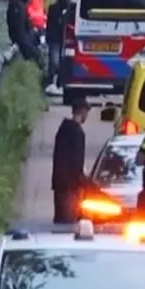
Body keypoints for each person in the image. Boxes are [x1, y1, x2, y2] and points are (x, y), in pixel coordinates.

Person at [50, 93, 90, 224]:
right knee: (68, 225)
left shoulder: (63, 129)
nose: (87, 115)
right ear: (82, 111)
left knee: (60, 221)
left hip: (59, 185)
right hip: (70, 188)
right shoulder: (77, 132)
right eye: (86, 111)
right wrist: (83, 182)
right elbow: (76, 162)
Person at [7, 0, 43, 66]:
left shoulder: (16, 5)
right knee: (36, 56)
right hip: (24, 40)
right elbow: (19, 28)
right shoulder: (19, 8)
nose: (31, 0)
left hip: (24, 37)